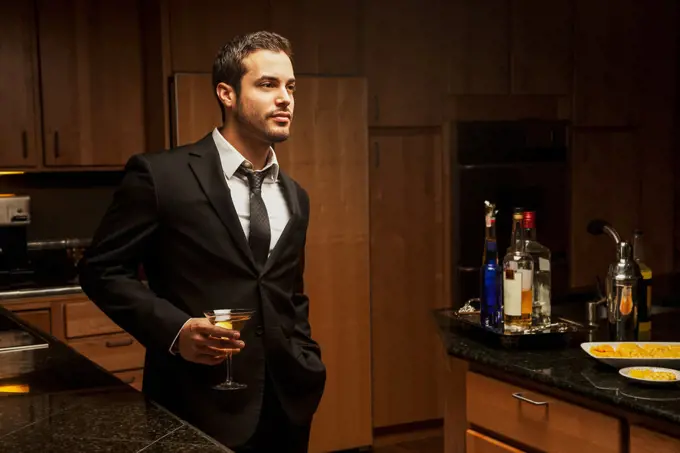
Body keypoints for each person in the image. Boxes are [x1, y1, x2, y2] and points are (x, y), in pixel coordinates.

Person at [77, 31, 326, 452]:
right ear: (226, 93)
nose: (285, 98)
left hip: (287, 406)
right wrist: (176, 330)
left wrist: (307, 359)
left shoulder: (294, 195)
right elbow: (100, 271)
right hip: (194, 402)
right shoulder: (161, 177)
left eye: (290, 86)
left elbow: (288, 293)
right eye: (267, 84)